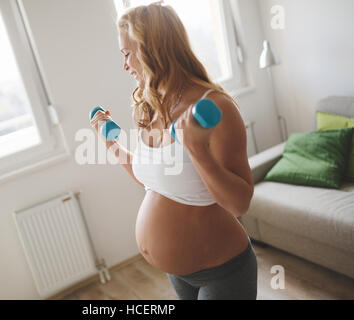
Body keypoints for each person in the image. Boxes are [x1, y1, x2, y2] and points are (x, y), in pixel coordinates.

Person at [90, 3, 257, 300]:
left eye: (128, 54)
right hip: (179, 274)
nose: (124, 65)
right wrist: (112, 145)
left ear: (153, 50)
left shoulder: (215, 106)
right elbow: (155, 184)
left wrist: (198, 151)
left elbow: (239, 203)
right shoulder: (150, 104)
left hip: (224, 272)